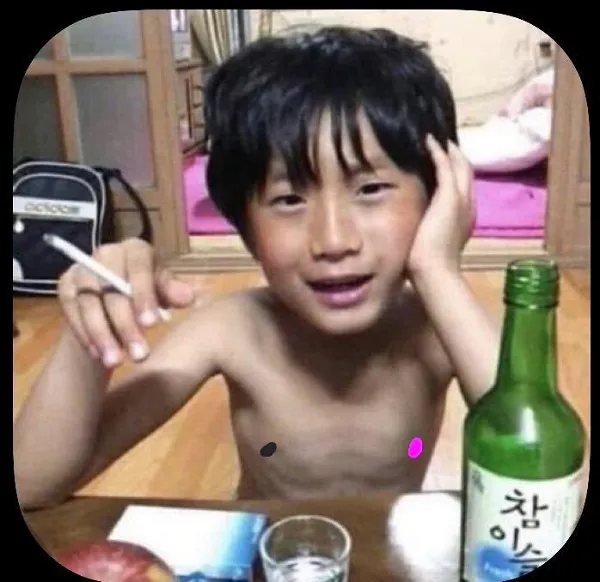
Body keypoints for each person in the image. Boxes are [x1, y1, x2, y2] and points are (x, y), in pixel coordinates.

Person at [14, 26, 500, 509]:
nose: (333, 241)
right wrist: (91, 333)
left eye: (370, 189)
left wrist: (438, 271)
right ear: (244, 225)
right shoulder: (232, 328)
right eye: (288, 199)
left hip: (383, 545)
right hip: (267, 546)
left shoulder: (438, 327)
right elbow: (31, 486)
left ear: (440, 196)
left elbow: (536, 460)